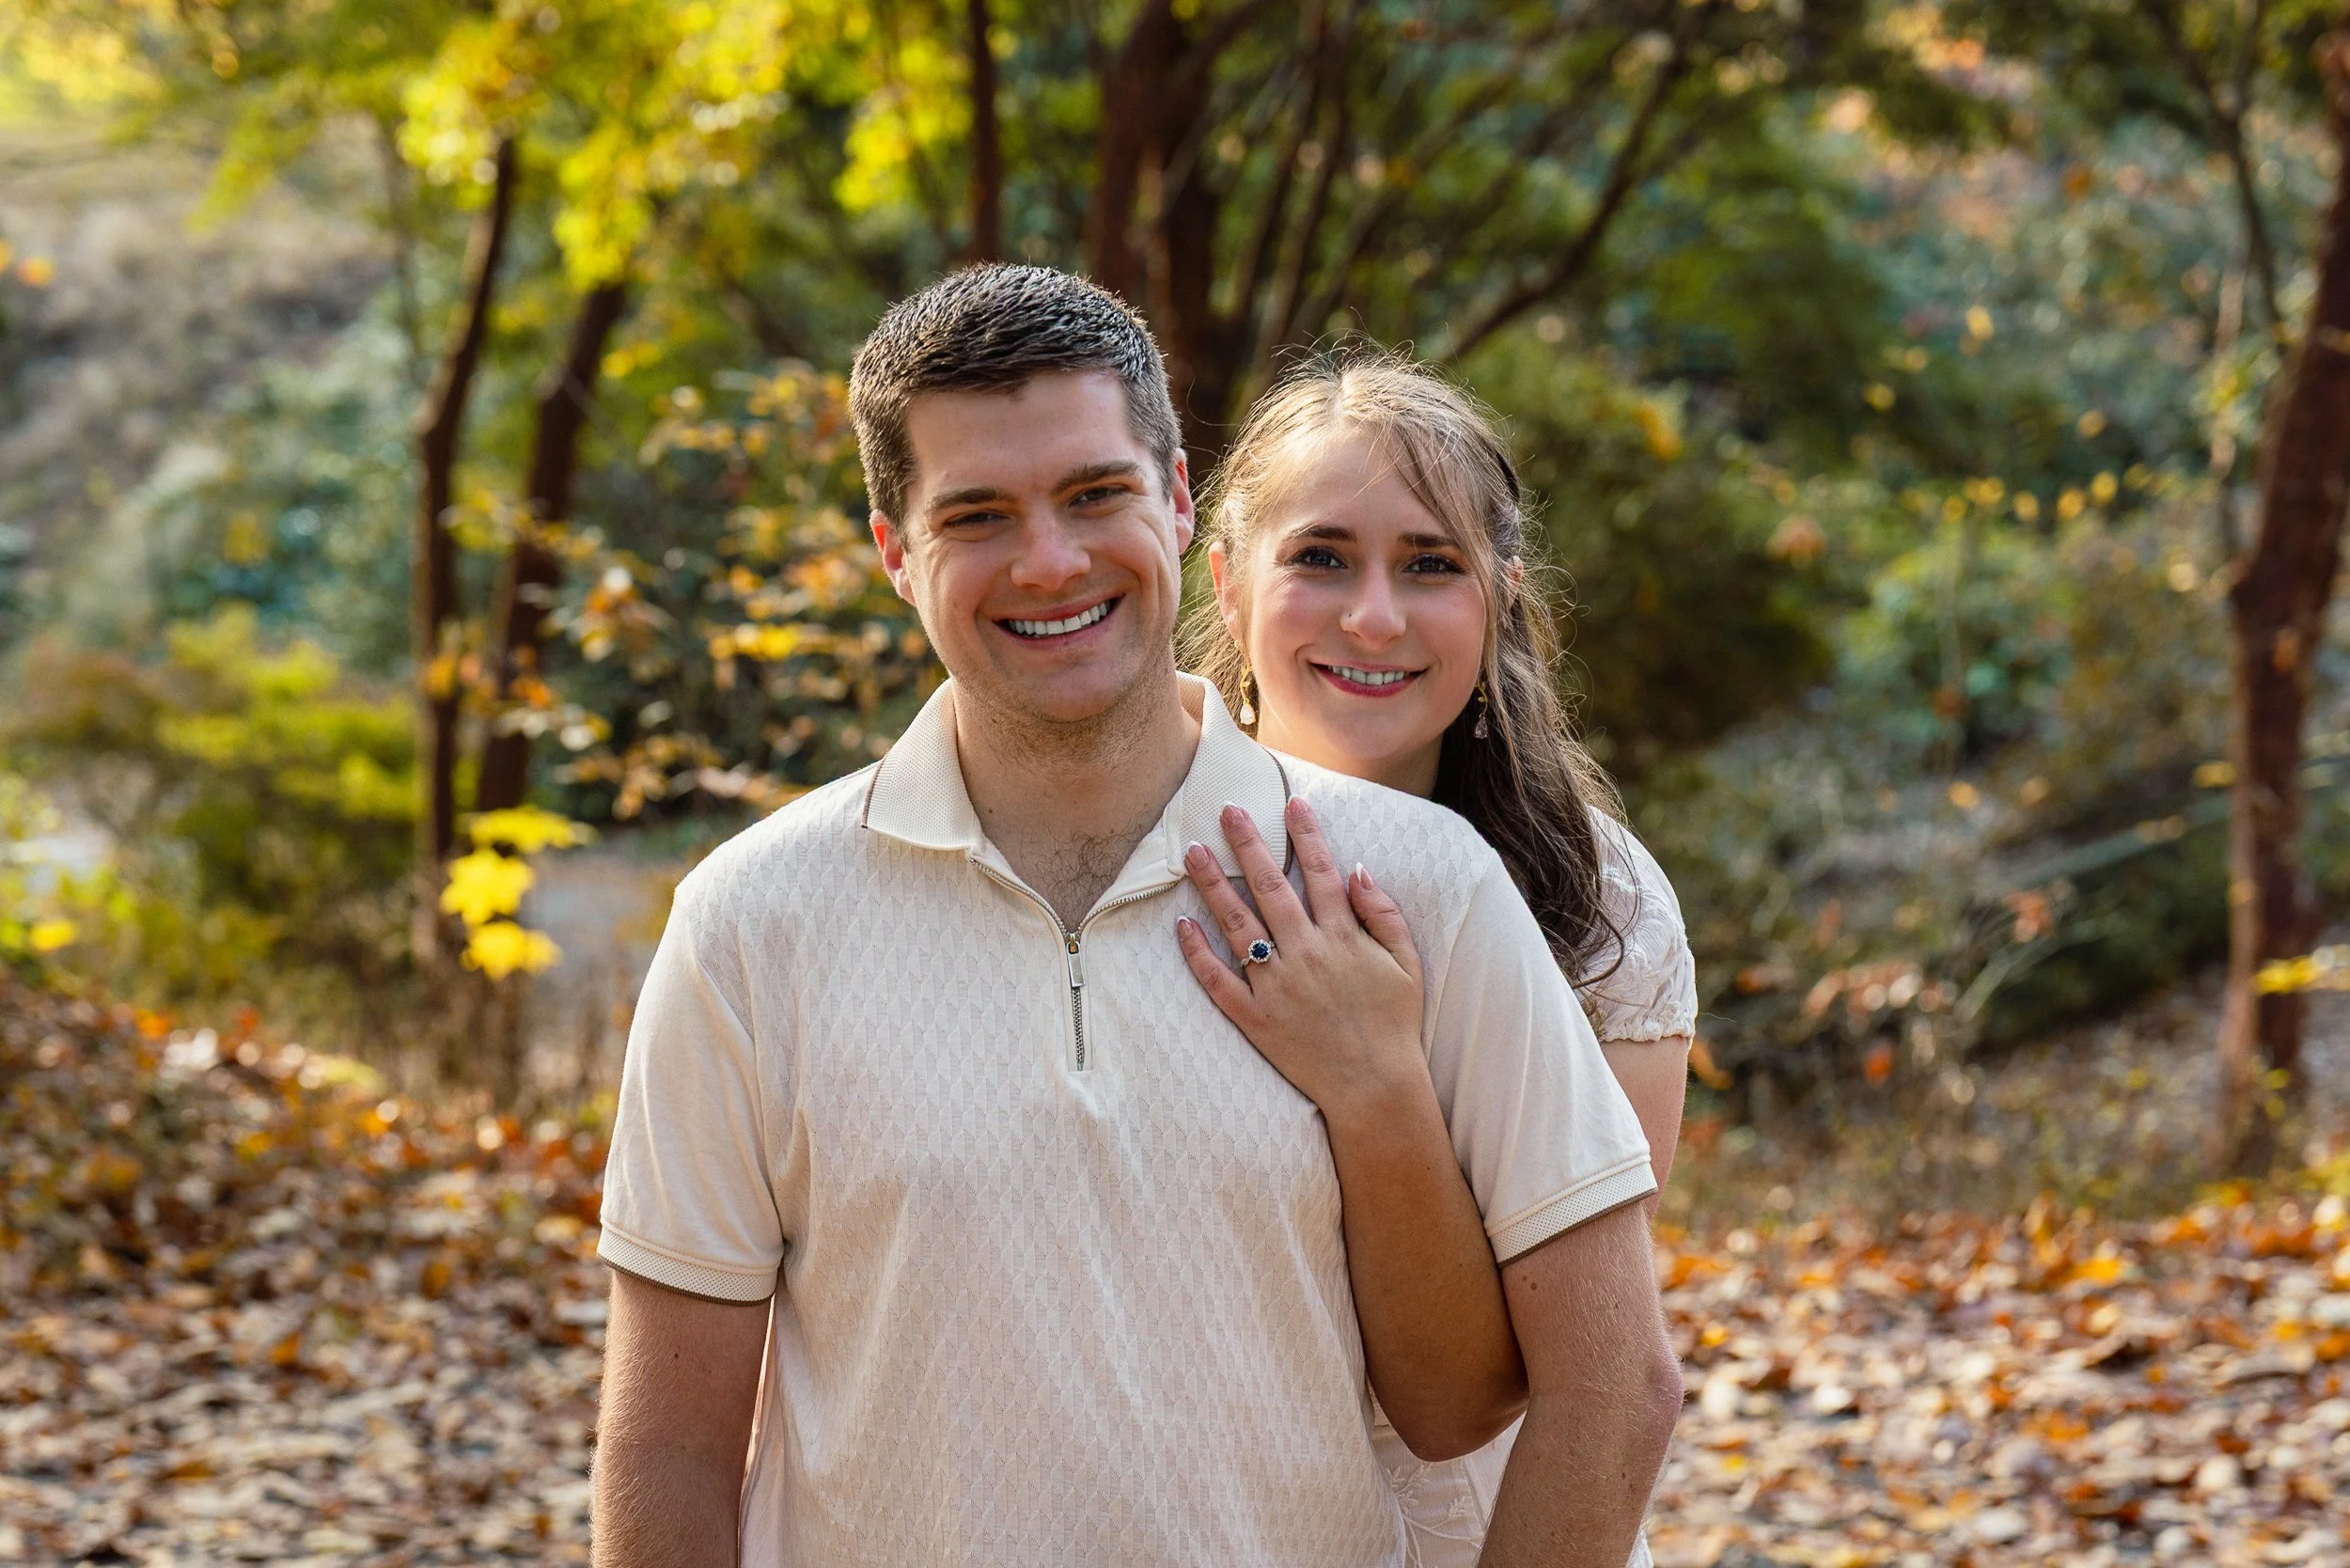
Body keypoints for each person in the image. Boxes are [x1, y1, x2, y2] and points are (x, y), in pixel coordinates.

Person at [589, 266, 1681, 1566]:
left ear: (1173, 502)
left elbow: (1602, 1392)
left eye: (1095, 493)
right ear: (896, 551)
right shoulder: (751, 924)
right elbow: (669, 1449)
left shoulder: (1430, 886)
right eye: (978, 515)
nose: (1050, 560)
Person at [1174, 353, 1698, 1568]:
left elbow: (1567, 1365)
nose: (1374, 616)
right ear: (1229, 586)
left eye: (1430, 565)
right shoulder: (1137, 860)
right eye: (1320, 557)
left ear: (1501, 599)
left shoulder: (1599, 897)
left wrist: (1379, 1073)